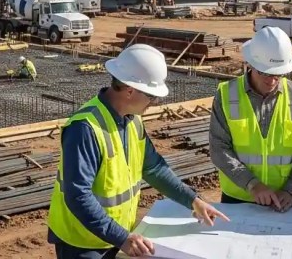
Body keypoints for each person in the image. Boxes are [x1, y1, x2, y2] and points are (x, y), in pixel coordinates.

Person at [47, 44, 229, 258]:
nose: (155, 102)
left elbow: (153, 168)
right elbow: (78, 195)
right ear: (129, 90)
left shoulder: (132, 121)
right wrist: (121, 237)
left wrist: (193, 200)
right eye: (151, 96)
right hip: (82, 243)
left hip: (116, 235)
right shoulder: (85, 128)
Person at [209, 27, 292, 211]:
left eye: (278, 74)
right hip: (237, 198)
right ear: (251, 64)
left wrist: (291, 190)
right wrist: (252, 184)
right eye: (265, 72)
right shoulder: (227, 95)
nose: (272, 80)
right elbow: (218, 149)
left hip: (283, 200)